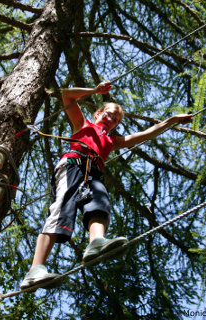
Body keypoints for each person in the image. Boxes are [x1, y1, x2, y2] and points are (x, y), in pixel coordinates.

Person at [20, 81, 193, 290]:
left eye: (116, 120)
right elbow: (66, 95)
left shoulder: (112, 141)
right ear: (98, 113)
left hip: (93, 172)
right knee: (63, 207)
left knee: (99, 201)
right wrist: (94, 90)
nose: (111, 120)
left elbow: (146, 134)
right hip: (73, 163)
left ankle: (96, 242)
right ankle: (35, 270)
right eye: (109, 114)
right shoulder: (82, 124)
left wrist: (171, 121)